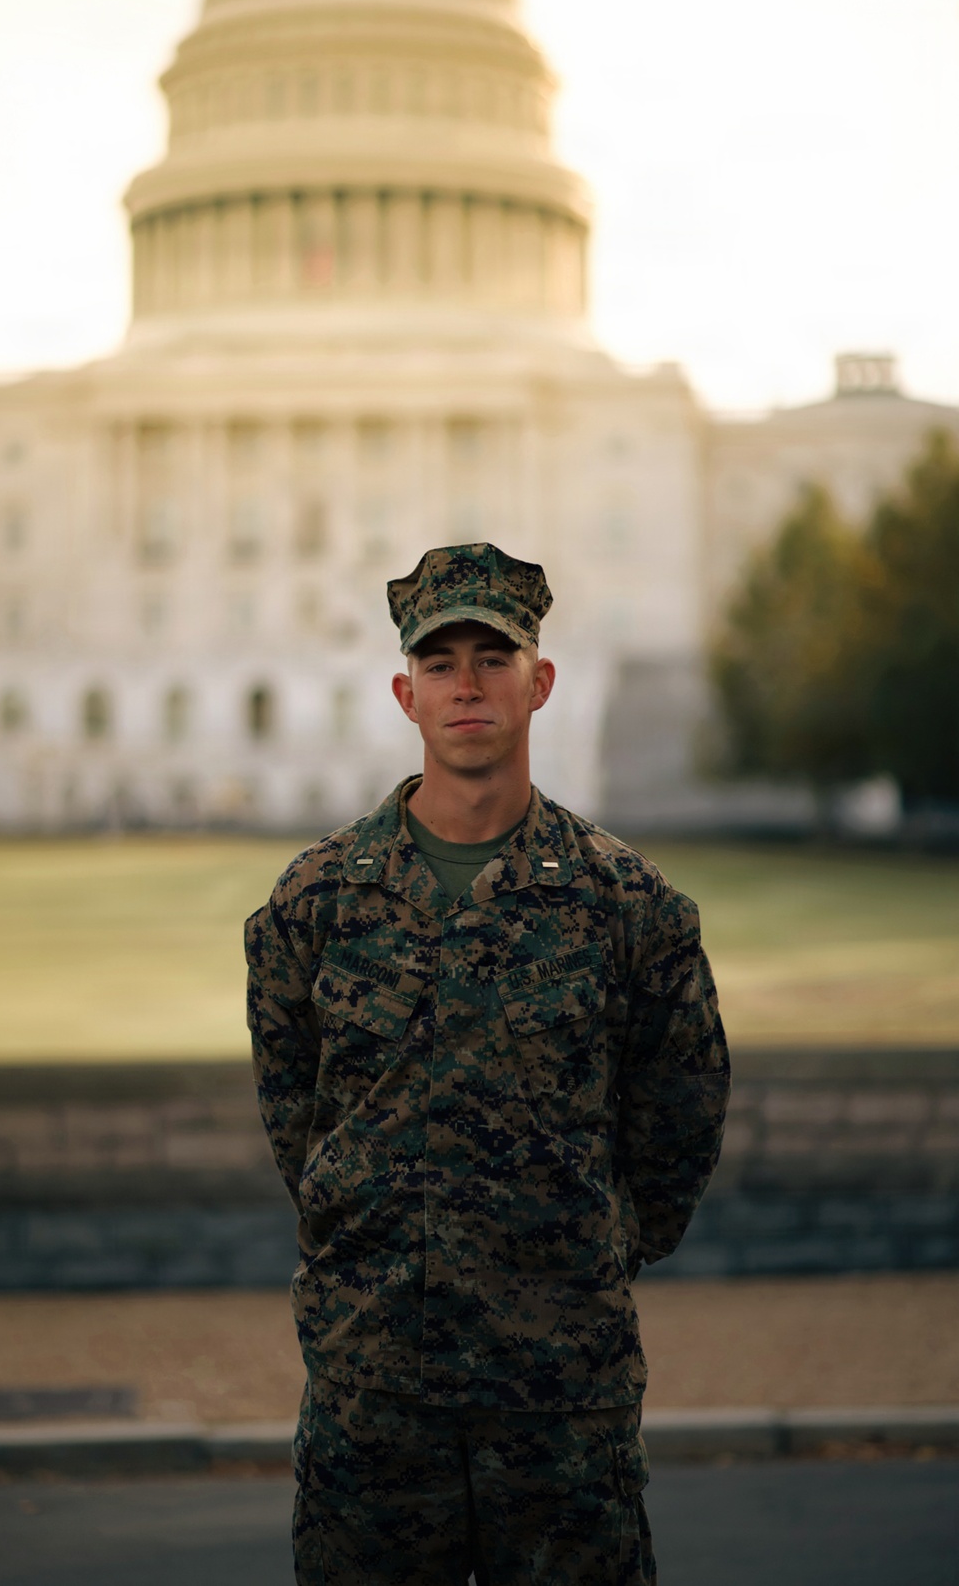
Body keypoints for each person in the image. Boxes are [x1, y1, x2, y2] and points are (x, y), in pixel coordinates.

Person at [245, 541, 729, 1586]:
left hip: (559, 1397)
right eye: (440, 661)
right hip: (374, 1389)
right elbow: (298, 1116)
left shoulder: (626, 905)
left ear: (539, 681)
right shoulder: (316, 902)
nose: (466, 682)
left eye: (492, 655)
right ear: (403, 692)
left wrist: (582, 1247)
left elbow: (678, 1120)